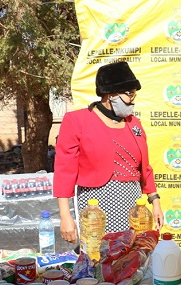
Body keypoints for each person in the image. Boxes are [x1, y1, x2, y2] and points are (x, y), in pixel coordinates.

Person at [54, 61, 163, 243]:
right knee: (101, 259)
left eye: (134, 94)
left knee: (133, 259)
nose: (133, 100)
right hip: (97, 209)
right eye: (129, 94)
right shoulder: (77, 121)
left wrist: (155, 201)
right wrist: (65, 217)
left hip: (134, 208)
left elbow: (145, 168)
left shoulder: (134, 124)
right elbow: (64, 171)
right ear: (110, 95)